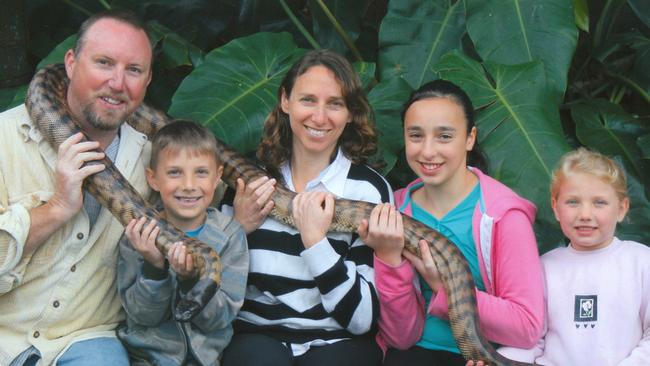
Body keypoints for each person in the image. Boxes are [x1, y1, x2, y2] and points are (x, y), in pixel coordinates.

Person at [219, 49, 392, 366]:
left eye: (335, 103)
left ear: (351, 112)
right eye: (308, 100)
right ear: (285, 101)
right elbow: (219, 295)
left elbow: (362, 320)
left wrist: (315, 242)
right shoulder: (248, 184)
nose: (320, 116)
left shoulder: (368, 191)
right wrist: (237, 229)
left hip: (339, 340)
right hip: (258, 336)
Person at [0, 10, 154, 366]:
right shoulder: (5, 138)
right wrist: (57, 207)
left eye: (133, 70)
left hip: (85, 339)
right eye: (104, 63)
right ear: (70, 63)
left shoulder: (157, 161)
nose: (117, 83)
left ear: (147, 81)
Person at [359, 79, 545, 365]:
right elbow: (401, 337)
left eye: (444, 136)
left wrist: (443, 288)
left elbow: (526, 328)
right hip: (412, 354)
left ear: (470, 138)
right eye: (416, 136)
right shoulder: (393, 210)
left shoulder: (501, 215)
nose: (428, 151)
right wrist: (388, 258)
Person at [476, 148, 650, 366]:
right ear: (555, 208)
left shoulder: (642, 261)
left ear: (622, 208)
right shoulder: (543, 267)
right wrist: (497, 361)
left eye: (600, 203)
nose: (585, 214)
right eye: (573, 202)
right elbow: (531, 338)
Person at [116, 120, 249, 366]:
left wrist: (191, 282)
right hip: (147, 359)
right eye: (175, 172)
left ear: (218, 177)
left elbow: (219, 320)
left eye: (201, 172)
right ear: (153, 179)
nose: (189, 186)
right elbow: (142, 316)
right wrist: (154, 267)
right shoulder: (140, 235)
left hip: (206, 361)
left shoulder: (230, 235)